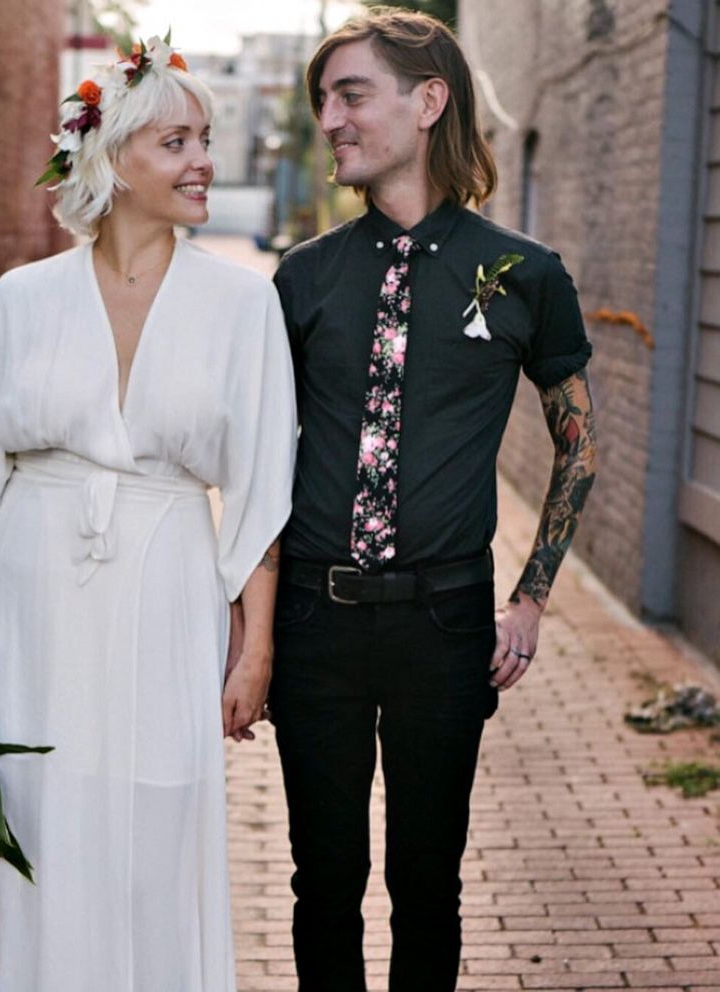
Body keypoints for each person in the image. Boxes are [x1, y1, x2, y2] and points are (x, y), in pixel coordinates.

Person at [0, 36, 297, 992]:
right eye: (176, 141)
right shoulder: (22, 298)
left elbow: (258, 496)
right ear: (114, 160)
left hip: (168, 586)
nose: (203, 158)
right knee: (32, 813)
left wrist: (254, 650)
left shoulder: (242, 307)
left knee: (154, 819)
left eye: (205, 137)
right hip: (30, 594)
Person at [269, 9, 598, 991]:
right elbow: (248, 458)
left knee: (428, 883)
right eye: (321, 99)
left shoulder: (523, 276)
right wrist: (252, 634)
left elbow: (578, 442)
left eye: (350, 94)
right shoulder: (302, 278)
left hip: (445, 623)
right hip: (314, 620)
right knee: (321, 880)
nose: (329, 118)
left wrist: (531, 598)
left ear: (427, 101)